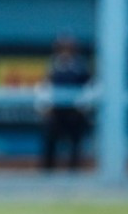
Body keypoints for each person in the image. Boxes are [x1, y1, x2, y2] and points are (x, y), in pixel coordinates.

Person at [37, 36, 94, 171]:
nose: (65, 50)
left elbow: (90, 88)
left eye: (69, 48)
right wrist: (44, 106)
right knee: (50, 141)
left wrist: (83, 106)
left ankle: (73, 174)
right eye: (62, 47)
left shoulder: (81, 68)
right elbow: (44, 87)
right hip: (55, 111)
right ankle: (47, 173)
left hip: (74, 112)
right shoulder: (52, 66)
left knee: (75, 143)